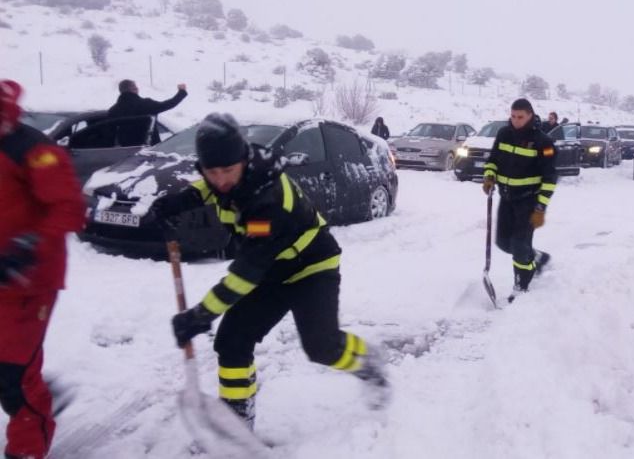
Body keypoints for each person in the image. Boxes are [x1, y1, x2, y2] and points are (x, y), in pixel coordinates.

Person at [146, 113, 390, 429]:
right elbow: (213, 190)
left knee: (321, 346)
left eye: (228, 171)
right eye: (212, 171)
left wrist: (201, 314)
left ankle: (367, 362)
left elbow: (246, 272)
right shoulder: (233, 173)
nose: (220, 179)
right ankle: (237, 421)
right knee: (232, 341)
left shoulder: (268, 201)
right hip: (271, 270)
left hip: (310, 267)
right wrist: (176, 203)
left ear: (244, 162)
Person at [0, 79, 86, 459]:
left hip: (27, 282)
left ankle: (27, 450)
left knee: (14, 378)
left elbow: (69, 207)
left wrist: (28, 246)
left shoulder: (34, 150)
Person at [482, 98, 557, 301]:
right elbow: (493, 160)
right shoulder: (504, 134)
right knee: (503, 243)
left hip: (528, 200)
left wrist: (540, 207)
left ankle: (521, 286)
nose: (515, 120)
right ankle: (537, 258)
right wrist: (489, 176)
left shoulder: (543, 142)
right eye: (513, 116)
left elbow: (550, 178)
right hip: (506, 197)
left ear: (530, 115)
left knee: (518, 245)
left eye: (520, 117)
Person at [108, 79, 188, 146]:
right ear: (134, 89)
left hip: (124, 155)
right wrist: (181, 92)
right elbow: (168, 104)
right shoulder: (146, 104)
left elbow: (110, 135)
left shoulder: (113, 111)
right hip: (150, 152)